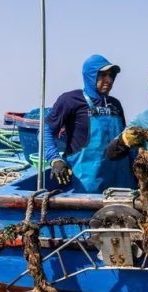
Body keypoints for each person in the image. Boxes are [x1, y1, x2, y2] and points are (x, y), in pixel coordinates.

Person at [43, 54, 134, 193]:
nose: (109, 80)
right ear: (90, 76)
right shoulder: (70, 100)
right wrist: (54, 159)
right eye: (103, 75)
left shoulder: (115, 104)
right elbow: (46, 130)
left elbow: (125, 140)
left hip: (120, 186)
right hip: (86, 186)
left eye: (111, 75)